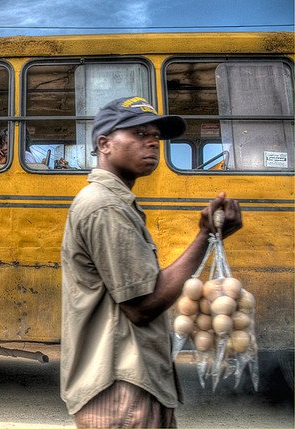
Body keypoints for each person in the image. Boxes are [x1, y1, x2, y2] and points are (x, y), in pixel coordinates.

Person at [60, 96, 242, 428]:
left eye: (155, 135)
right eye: (139, 134)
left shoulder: (115, 202)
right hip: (122, 389)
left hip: (129, 384)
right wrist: (205, 237)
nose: (152, 143)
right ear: (105, 144)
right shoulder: (105, 207)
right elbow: (142, 305)